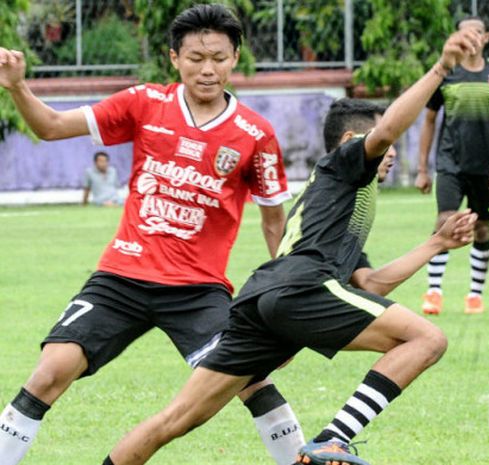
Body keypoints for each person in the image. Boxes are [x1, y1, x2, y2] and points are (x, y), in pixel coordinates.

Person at [98, 28, 482, 465]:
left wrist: (435, 244)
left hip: (265, 297)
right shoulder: (346, 164)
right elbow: (390, 126)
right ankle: (333, 438)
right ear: (351, 142)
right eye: (382, 143)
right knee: (428, 339)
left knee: (177, 417)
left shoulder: (337, 203)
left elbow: (370, 285)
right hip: (301, 288)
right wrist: (441, 68)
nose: (390, 150)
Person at [0, 5, 306, 465]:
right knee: (49, 372)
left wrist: (286, 301)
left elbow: (272, 221)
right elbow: (51, 126)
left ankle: (301, 459)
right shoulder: (144, 103)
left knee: (251, 378)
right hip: (121, 277)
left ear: (235, 59)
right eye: (196, 57)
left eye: (219, 57)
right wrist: (18, 86)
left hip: (198, 290)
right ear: (174, 59)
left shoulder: (255, 134)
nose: (208, 69)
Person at [415, 15, 489, 315]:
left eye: (477, 33)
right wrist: (422, 168)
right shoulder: (445, 74)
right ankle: (433, 292)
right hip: (450, 164)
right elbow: (429, 121)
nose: (471, 38)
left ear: (486, 38)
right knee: (445, 220)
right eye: (465, 33)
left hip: (485, 167)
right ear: (457, 38)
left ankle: (475, 295)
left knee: (482, 228)